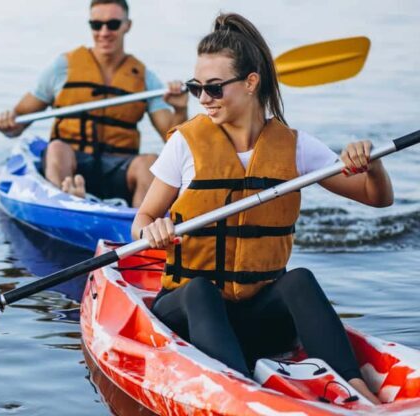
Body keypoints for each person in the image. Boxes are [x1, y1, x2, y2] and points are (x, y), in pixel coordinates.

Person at [131, 13, 392, 404]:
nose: (203, 99)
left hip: (258, 318)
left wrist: (373, 164)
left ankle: (359, 390)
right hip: (188, 313)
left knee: (299, 279)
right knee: (201, 289)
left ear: (251, 83)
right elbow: (142, 220)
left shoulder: (295, 146)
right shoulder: (184, 144)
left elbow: (377, 197)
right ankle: (238, 393)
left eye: (214, 88)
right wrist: (150, 231)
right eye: (196, 87)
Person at [0, 0, 188, 207]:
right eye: (96, 25)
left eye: (112, 24)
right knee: (57, 148)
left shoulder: (145, 78)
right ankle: (66, 202)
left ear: (127, 26)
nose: (104, 32)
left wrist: (180, 108)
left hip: (118, 168)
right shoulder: (62, 68)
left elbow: (173, 143)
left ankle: (140, 228)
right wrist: (8, 123)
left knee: (149, 162)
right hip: (72, 165)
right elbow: (17, 125)